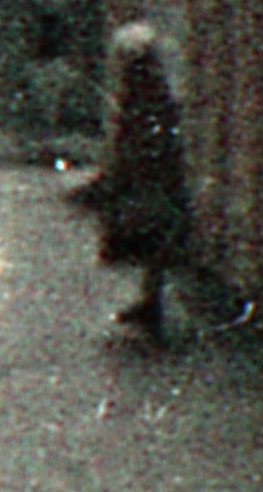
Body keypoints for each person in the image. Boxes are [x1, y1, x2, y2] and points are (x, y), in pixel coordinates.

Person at [74, 26, 196, 345]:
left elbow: (134, 135)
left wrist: (121, 169)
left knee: (150, 236)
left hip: (148, 177)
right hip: (153, 176)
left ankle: (151, 304)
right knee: (153, 240)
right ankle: (149, 300)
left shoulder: (143, 95)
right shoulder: (153, 93)